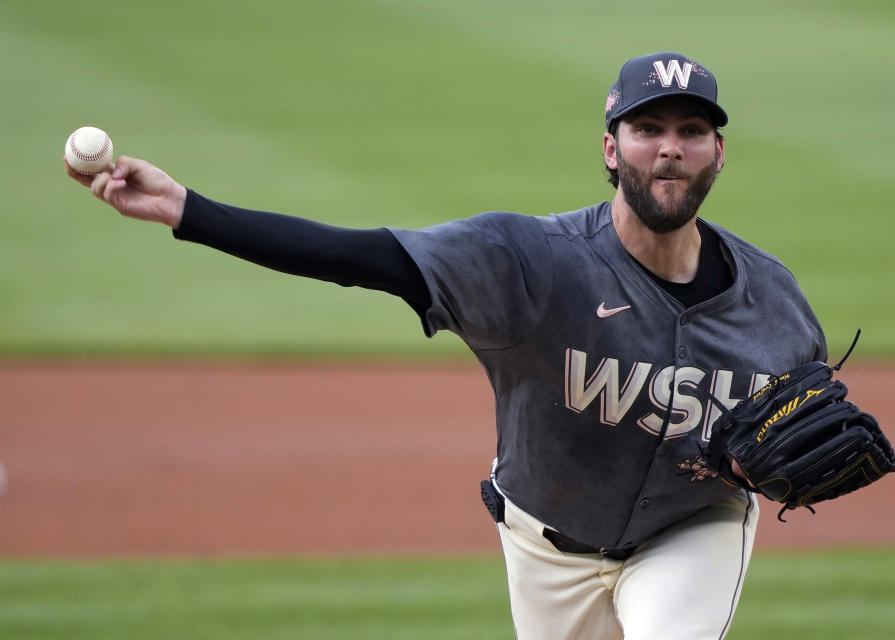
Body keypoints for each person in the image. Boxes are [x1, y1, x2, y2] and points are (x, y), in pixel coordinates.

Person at [66, 52, 826, 639]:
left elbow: (807, 430)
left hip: (690, 527)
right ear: (609, 147)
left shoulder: (773, 303)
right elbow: (362, 257)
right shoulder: (529, 260)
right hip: (545, 545)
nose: (670, 149)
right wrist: (186, 210)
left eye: (692, 131)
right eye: (648, 129)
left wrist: (779, 469)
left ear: (719, 153)